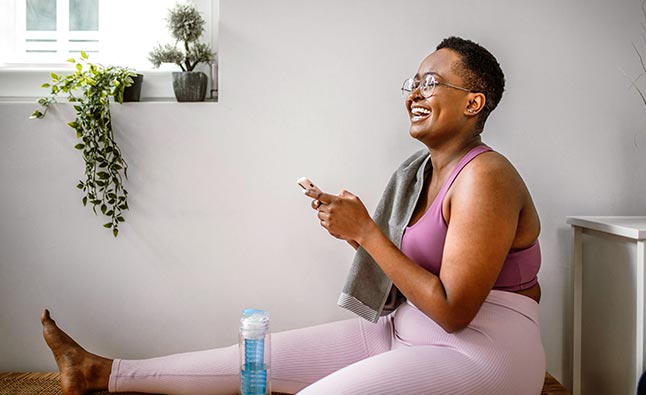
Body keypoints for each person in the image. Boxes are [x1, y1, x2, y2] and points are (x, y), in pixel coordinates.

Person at [41, 36, 545, 395]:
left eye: (430, 82)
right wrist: (354, 232)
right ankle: (96, 372)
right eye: (412, 81)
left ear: (473, 103)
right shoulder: (421, 173)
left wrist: (368, 233)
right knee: (251, 361)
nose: (413, 92)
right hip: (403, 329)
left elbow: (455, 310)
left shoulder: (487, 176)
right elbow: (420, 269)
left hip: (480, 354)